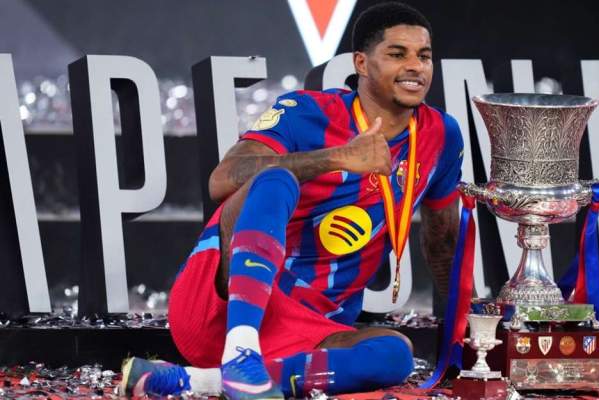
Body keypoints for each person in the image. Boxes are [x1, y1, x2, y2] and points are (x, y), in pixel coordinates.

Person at [120, 2, 464, 398]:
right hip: (220, 306)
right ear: (362, 63)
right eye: (397, 54)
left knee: (395, 355)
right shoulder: (307, 111)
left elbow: (442, 242)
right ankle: (241, 349)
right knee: (274, 180)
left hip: (308, 329)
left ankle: (203, 381)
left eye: (424, 56)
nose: (415, 67)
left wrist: (466, 329)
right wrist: (337, 157)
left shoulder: (440, 135)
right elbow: (222, 180)